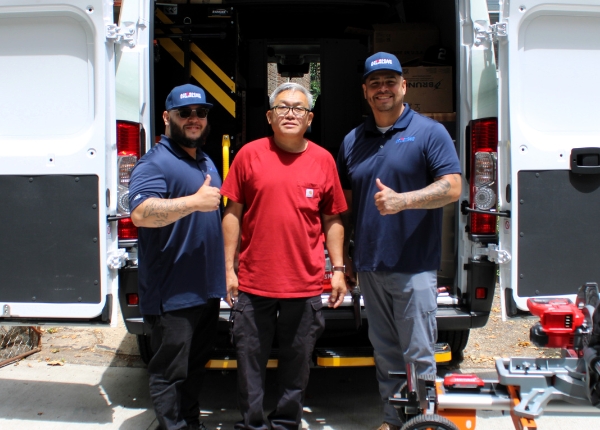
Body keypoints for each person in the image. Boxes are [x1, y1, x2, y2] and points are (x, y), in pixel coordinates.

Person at [336, 52, 462, 430]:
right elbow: (344, 207)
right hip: (372, 267)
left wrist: (403, 201)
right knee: (387, 353)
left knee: (419, 354)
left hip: (414, 265)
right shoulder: (353, 140)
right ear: (365, 91)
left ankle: (424, 422)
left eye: (390, 81)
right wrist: (345, 260)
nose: (383, 89)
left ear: (404, 86)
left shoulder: (428, 132)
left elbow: (453, 187)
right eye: (375, 83)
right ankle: (394, 420)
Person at [220, 82, 348, 430]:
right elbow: (232, 212)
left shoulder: (323, 160)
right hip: (253, 281)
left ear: (309, 118)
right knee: (249, 361)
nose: (289, 113)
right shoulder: (248, 154)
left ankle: (286, 424)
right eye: (282, 107)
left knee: (297, 362)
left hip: (304, 284)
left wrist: (337, 269)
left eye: (297, 108)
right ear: (269, 116)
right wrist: (229, 267)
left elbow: (332, 218)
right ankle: (253, 424)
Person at [128, 83, 226, 430]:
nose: (194, 119)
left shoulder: (204, 160)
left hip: (206, 289)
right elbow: (140, 212)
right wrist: (192, 203)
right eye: (185, 113)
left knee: (195, 368)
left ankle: (190, 423)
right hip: (172, 292)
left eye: (201, 112)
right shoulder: (155, 162)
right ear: (167, 117)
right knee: (169, 371)